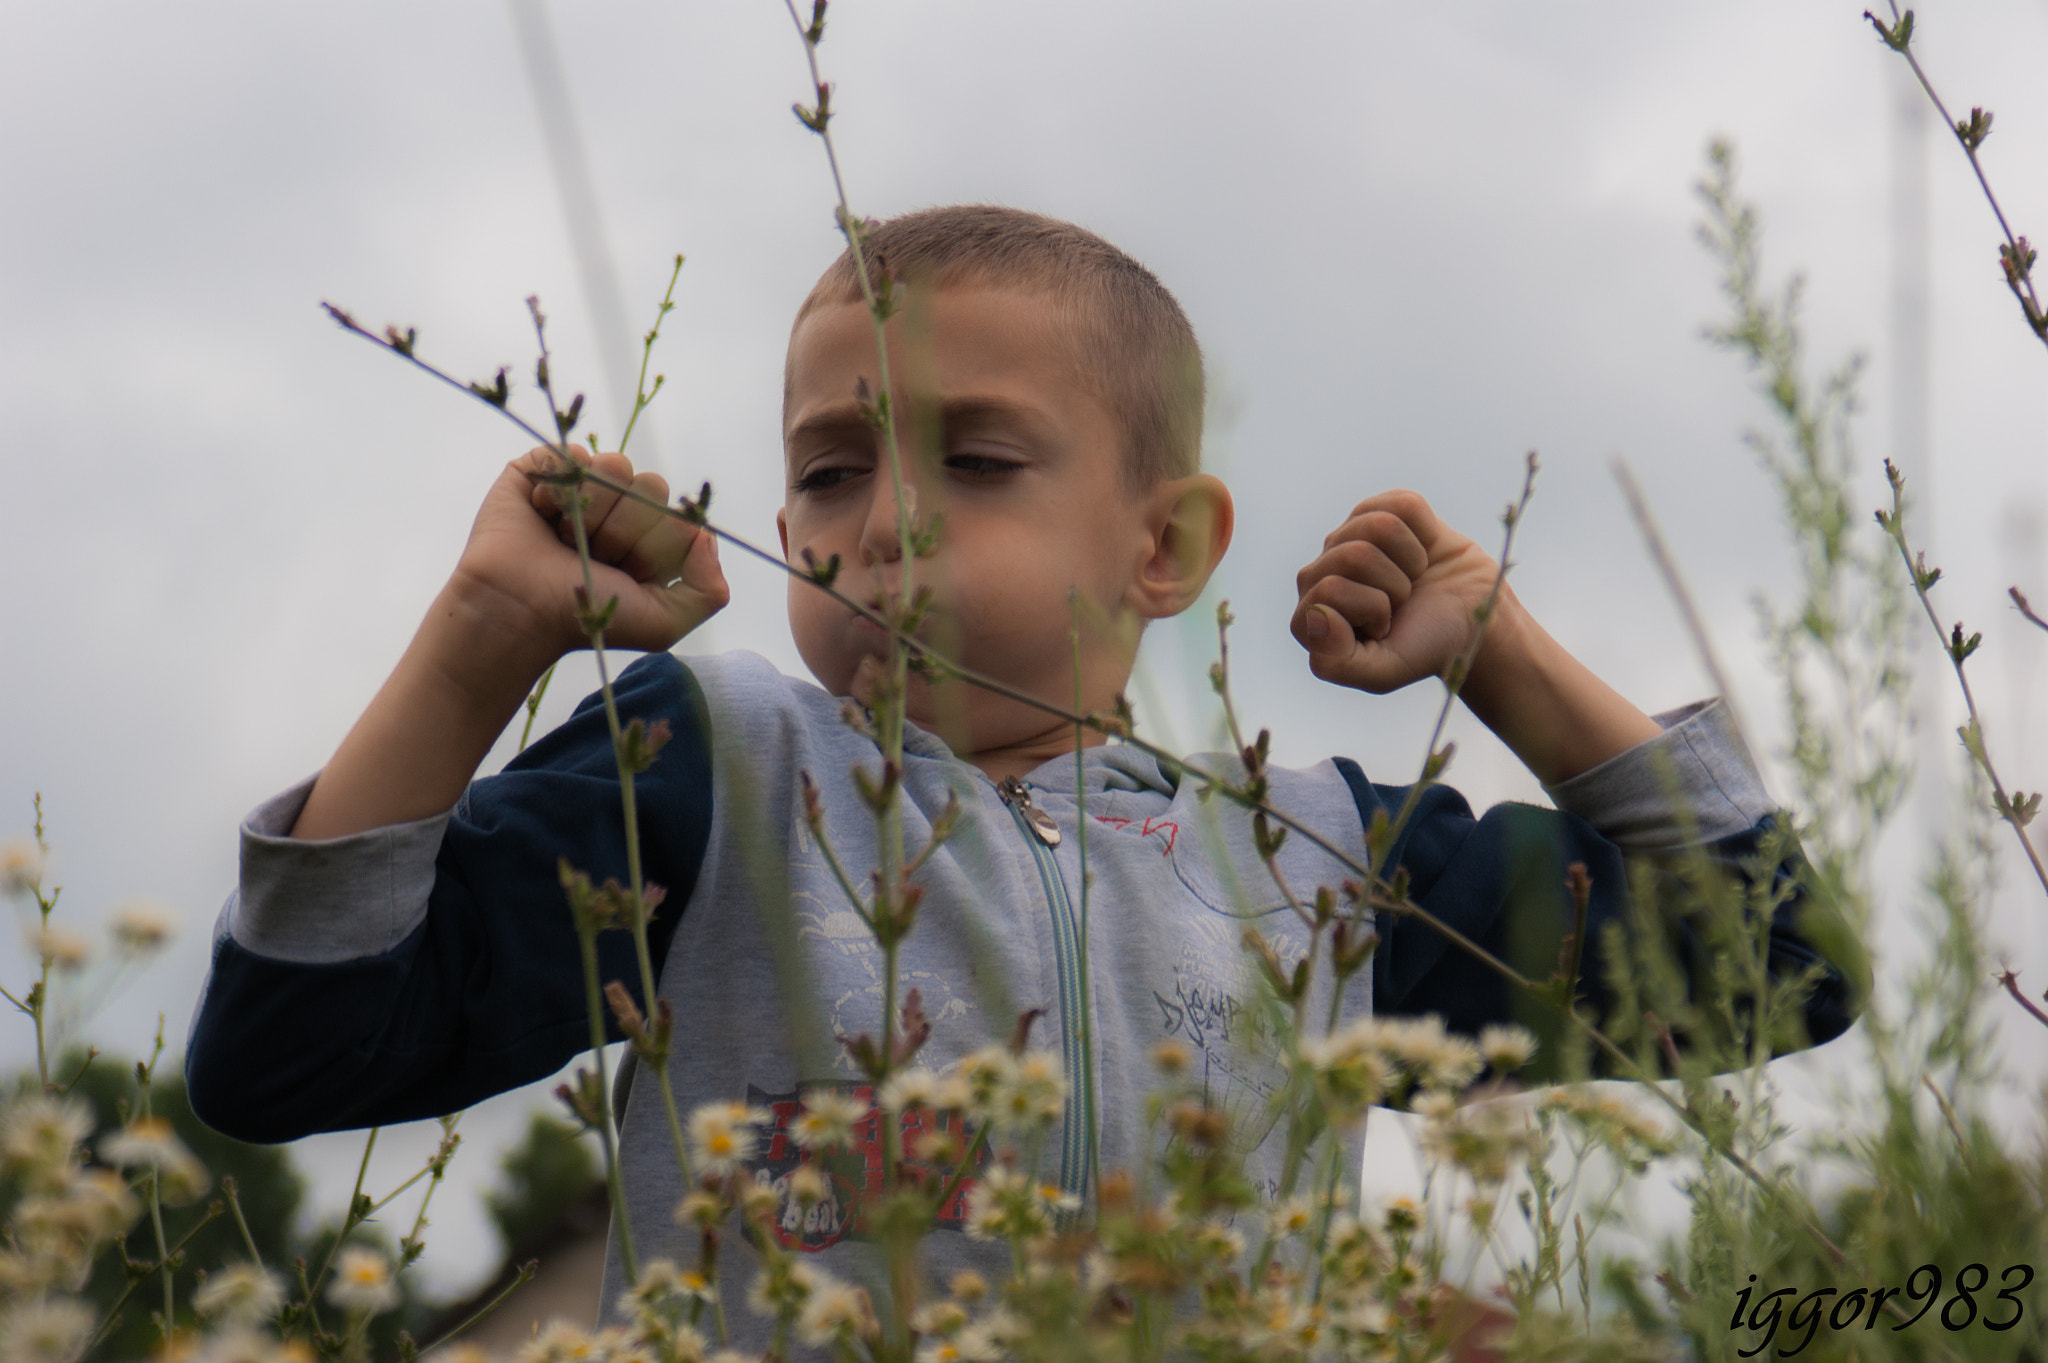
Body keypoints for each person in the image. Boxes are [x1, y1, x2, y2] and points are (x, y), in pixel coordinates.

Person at [186, 206, 1865, 1341]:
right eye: (830, 475)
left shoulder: (1322, 863)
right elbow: (299, 1048)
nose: (887, 522)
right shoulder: (711, 772)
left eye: (977, 460)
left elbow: (1773, 969)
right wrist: (484, 637)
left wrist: (1504, 655)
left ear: (1164, 545)